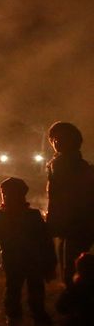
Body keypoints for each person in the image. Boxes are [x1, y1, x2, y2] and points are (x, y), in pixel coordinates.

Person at [0, 177, 55, 326]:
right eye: (5, 193)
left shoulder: (26, 217)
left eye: (9, 193)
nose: (6, 197)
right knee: (16, 297)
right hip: (19, 264)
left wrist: (49, 264)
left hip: (28, 263)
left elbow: (45, 242)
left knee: (32, 298)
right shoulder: (7, 216)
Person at [45, 122, 94, 287]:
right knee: (69, 265)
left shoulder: (69, 166)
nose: (57, 142)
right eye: (54, 138)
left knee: (72, 267)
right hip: (70, 225)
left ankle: (75, 295)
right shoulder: (60, 165)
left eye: (62, 138)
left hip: (77, 224)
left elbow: (64, 198)